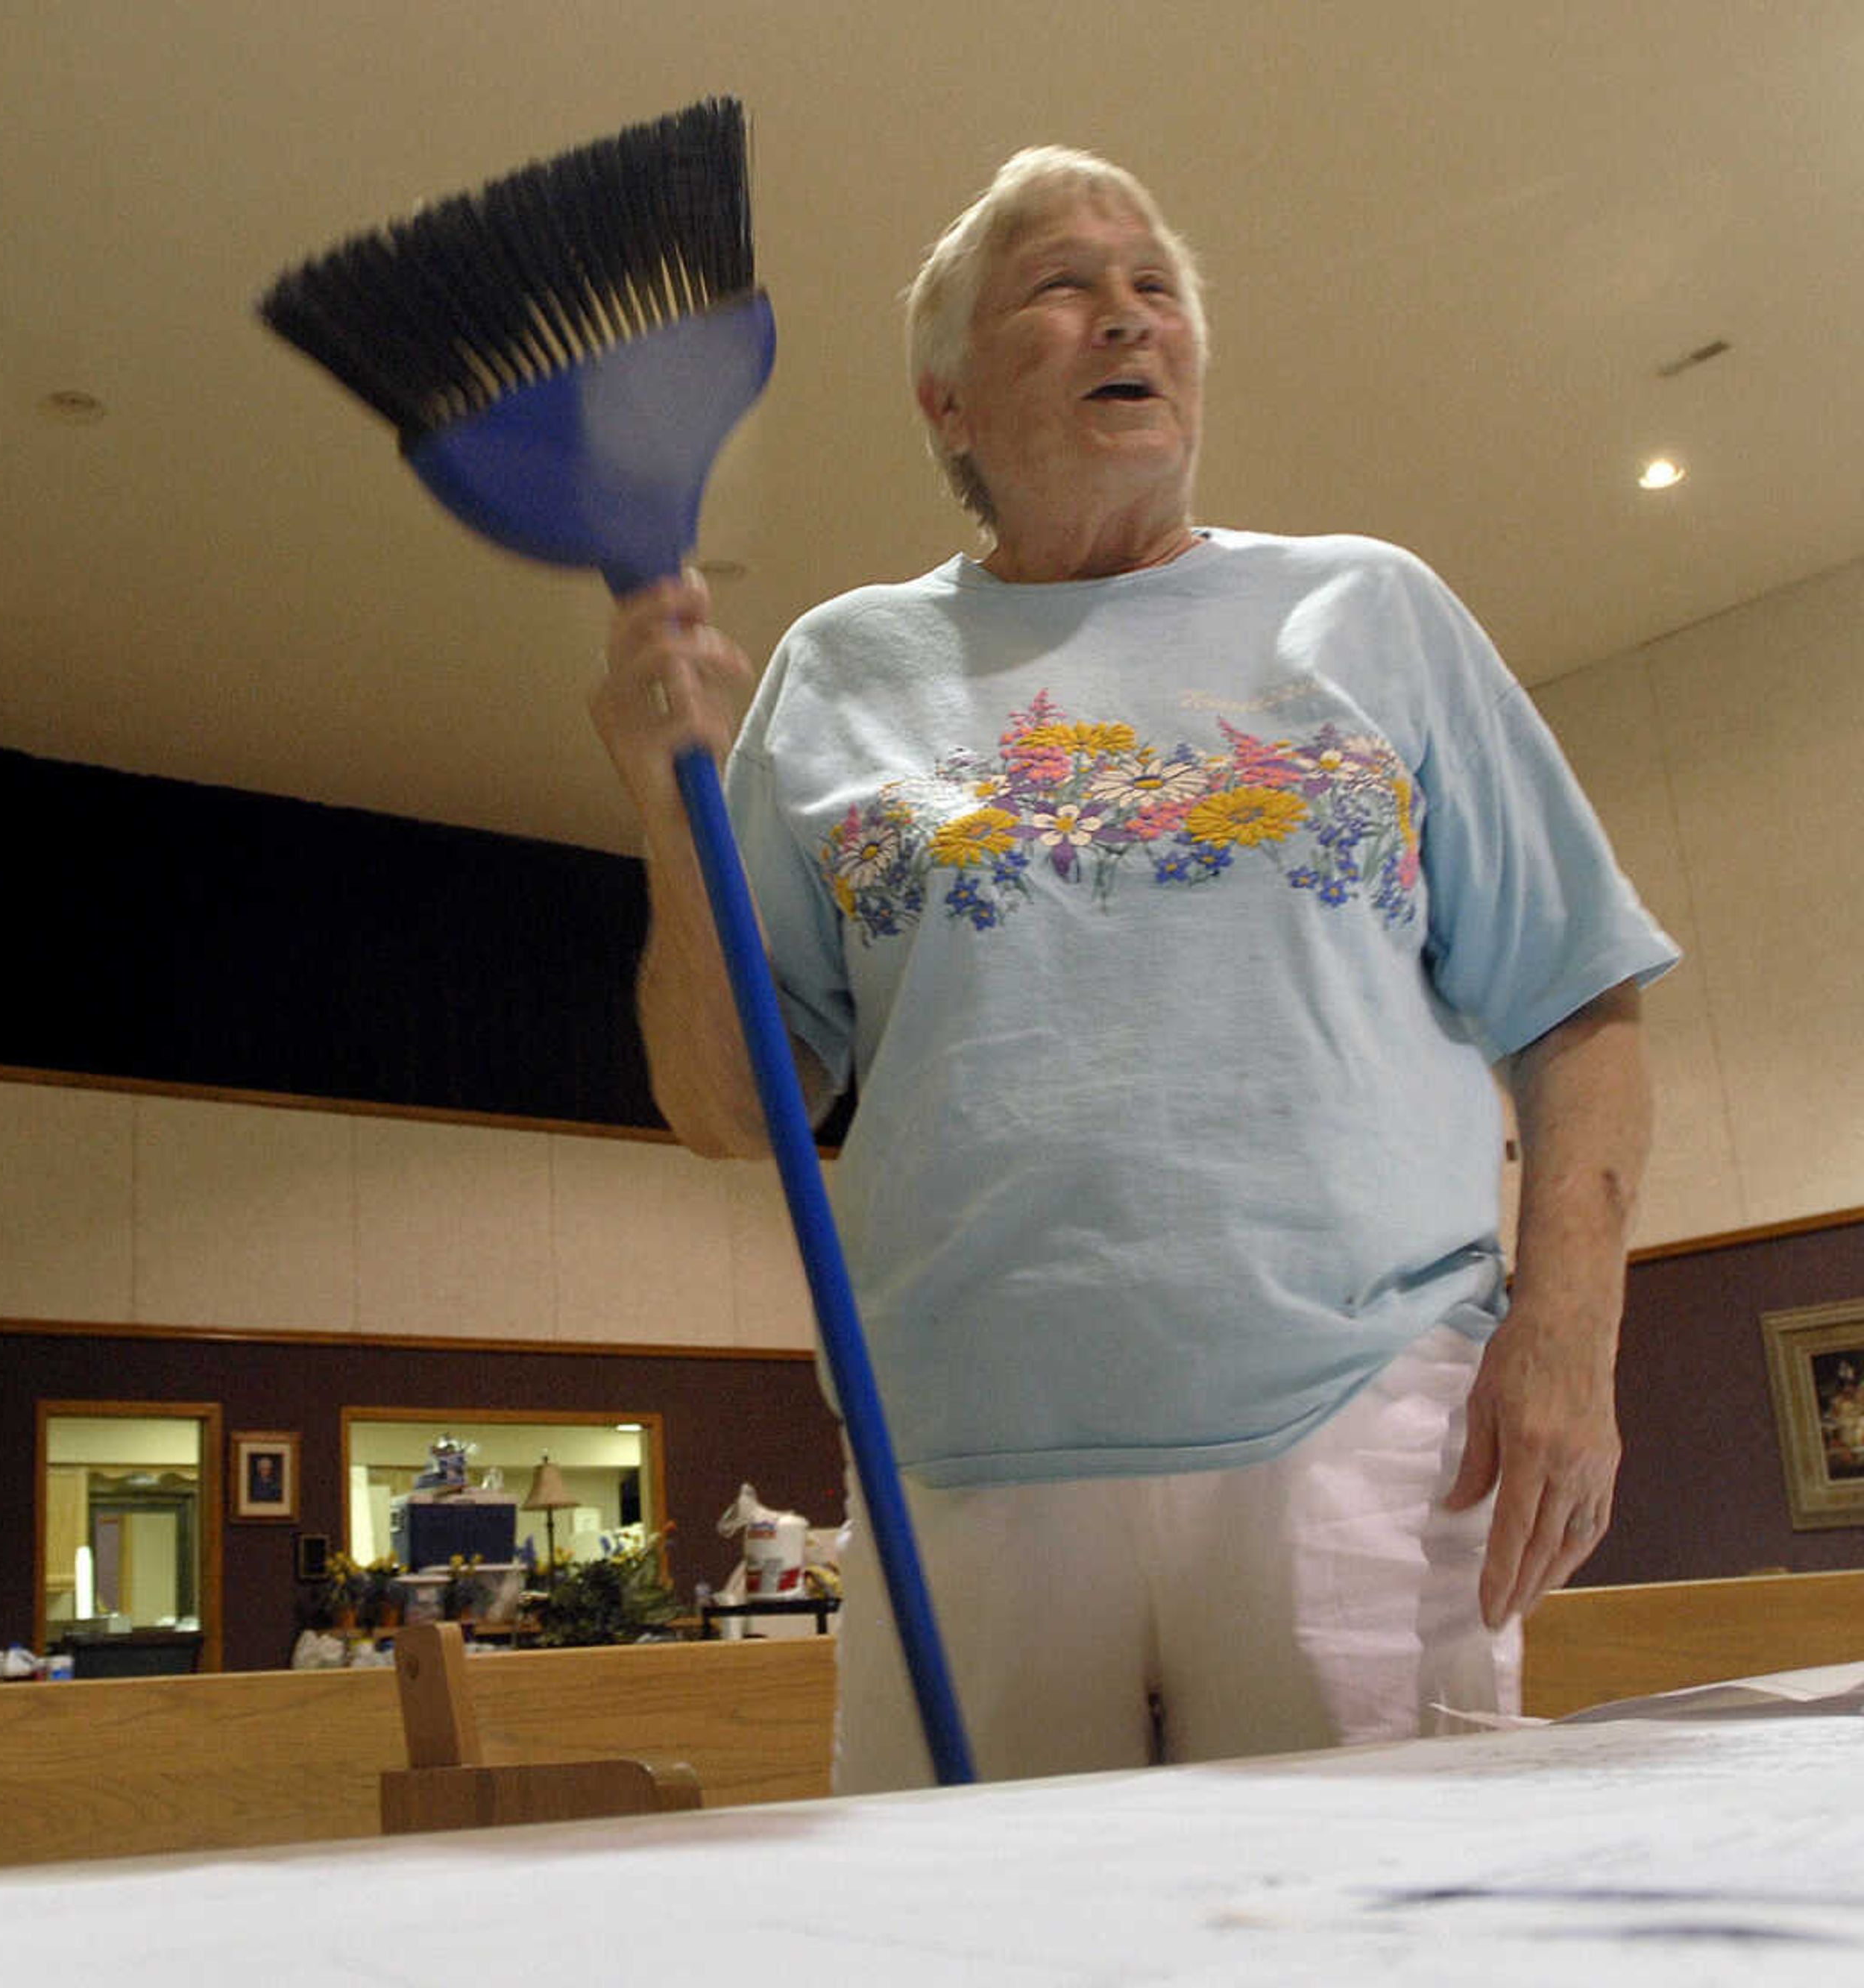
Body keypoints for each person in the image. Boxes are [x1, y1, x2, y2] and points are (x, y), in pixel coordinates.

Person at [589, 147, 1677, 1791]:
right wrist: (670, 820)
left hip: (1364, 1423)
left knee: (1386, 1938)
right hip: (958, 1459)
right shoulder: (840, 669)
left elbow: (1580, 1001)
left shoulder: (1371, 610)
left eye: (1157, 286)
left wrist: (1568, 1333)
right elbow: (736, 1102)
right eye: (1064, 285)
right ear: (945, 402)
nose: (1130, 317)